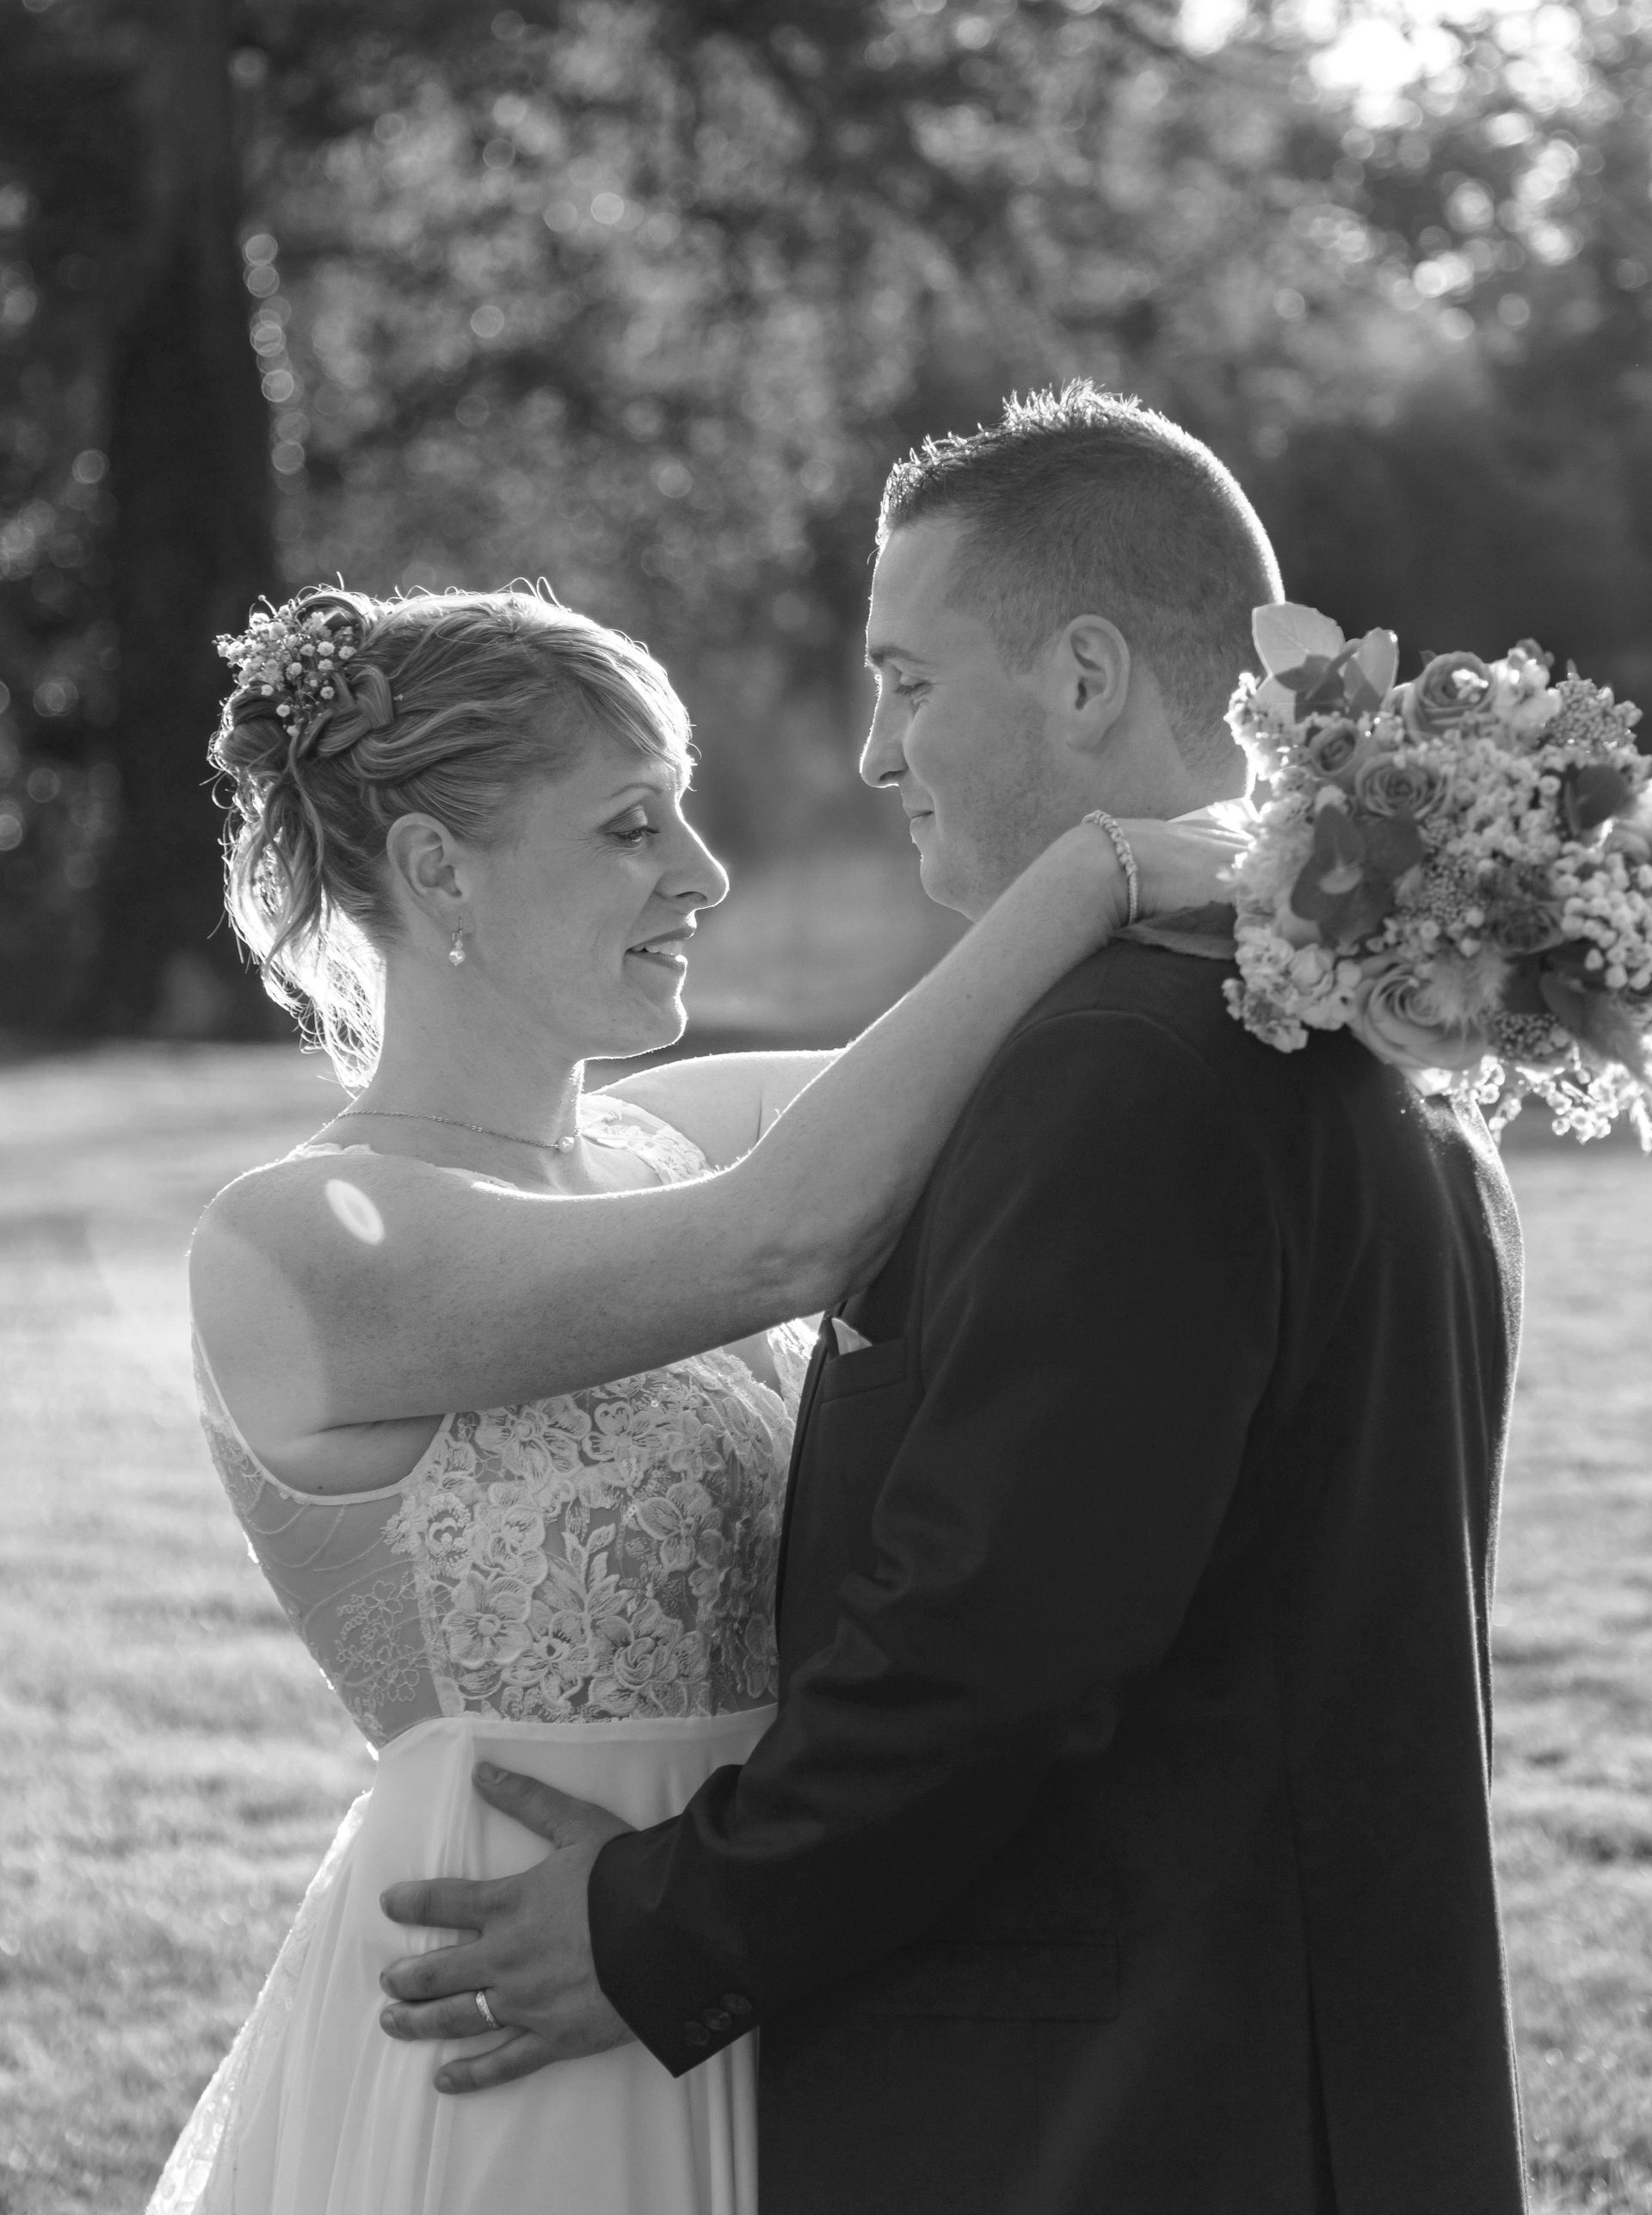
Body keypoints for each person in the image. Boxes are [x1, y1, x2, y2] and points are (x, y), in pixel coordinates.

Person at [379, 386, 1530, 2215]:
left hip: (1113, 2113)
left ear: (1082, 679)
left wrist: (663, 1928)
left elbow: (995, 1646)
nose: (873, 752)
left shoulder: (1128, 1064)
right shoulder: (1364, 1024)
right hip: (1311, 2082)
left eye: (909, 680)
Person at [146, 574, 1236, 2215]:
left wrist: (1343, 890)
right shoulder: (296, 1244)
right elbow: (782, 1238)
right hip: (519, 1996)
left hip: (752, 1938)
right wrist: (1093, 873)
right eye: (630, 828)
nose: (703, 875)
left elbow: (1033, 1087)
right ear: (440, 868)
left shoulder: (668, 1137)